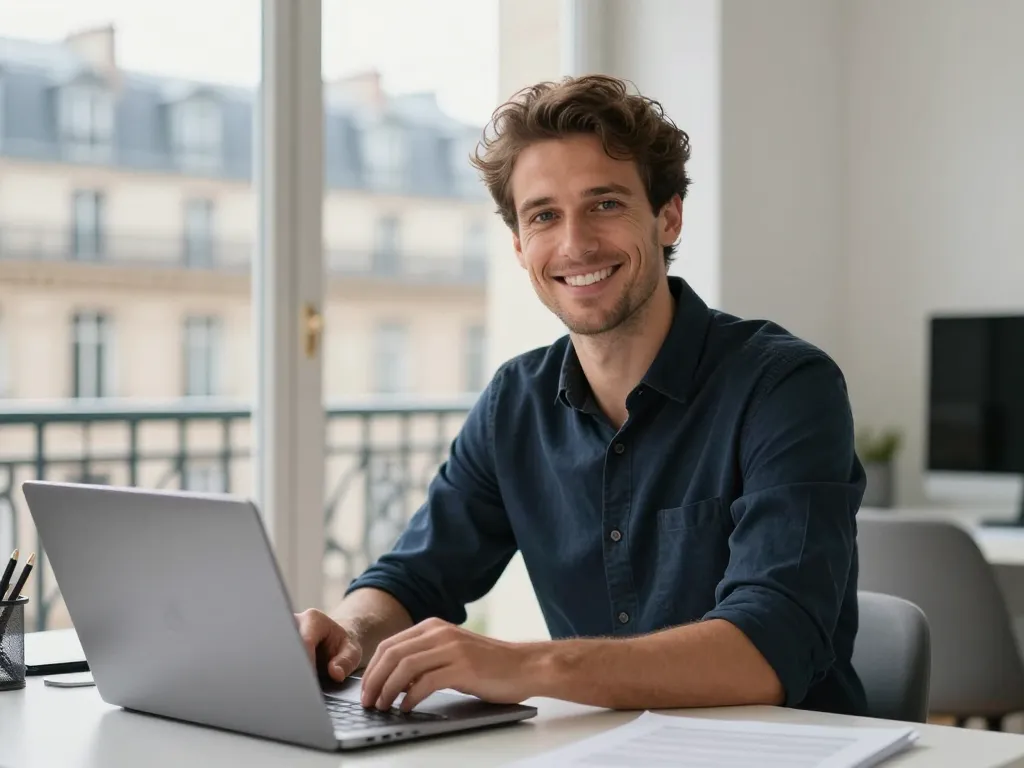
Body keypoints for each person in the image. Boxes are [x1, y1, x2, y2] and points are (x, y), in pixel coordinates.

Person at [297, 74, 867, 717]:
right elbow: (414, 577)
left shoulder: (786, 387)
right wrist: (347, 632)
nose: (574, 244)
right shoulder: (516, 400)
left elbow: (772, 646)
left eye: (605, 204)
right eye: (544, 216)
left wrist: (525, 664)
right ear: (519, 246)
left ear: (668, 216)